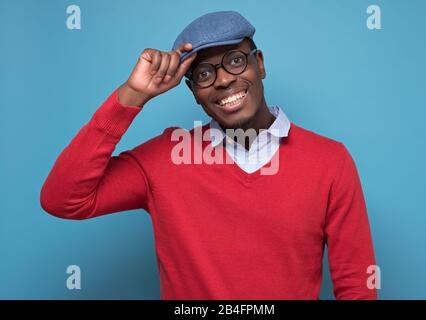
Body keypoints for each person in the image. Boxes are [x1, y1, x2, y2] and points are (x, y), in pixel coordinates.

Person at [40, 11, 377, 300]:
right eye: (204, 73)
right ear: (193, 91)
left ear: (259, 64)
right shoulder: (166, 158)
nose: (223, 81)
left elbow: (357, 285)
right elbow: (63, 199)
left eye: (235, 60)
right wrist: (131, 96)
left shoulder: (330, 161)